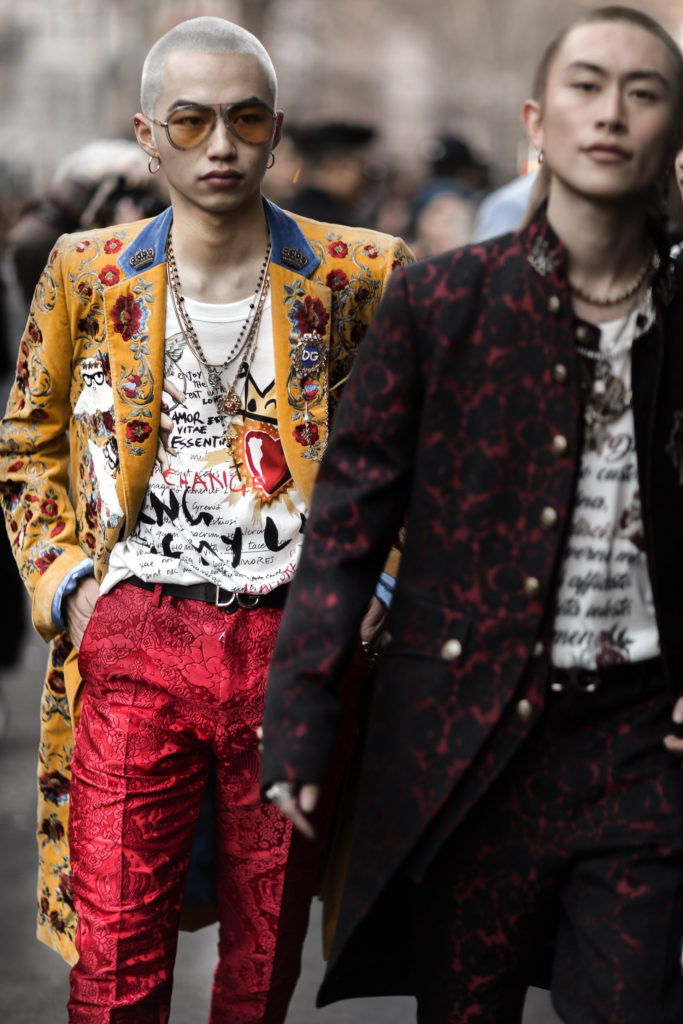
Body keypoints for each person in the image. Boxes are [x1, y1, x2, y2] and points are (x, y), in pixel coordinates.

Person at [261, 7, 683, 1022]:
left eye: (643, 91)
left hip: (635, 751)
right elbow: (348, 524)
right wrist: (303, 720)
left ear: (672, 134)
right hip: (461, 747)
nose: (611, 113)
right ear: (535, 122)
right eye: (586, 86)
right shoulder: (438, 303)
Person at [0, 15, 411, 1023]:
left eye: (243, 119)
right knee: (111, 951)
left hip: (297, 641)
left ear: (275, 132)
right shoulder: (85, 273)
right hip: (135, 629)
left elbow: (423, 454)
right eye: (190, 122)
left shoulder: (361, 273)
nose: (219, 146)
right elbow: (25, 445)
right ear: (147, 135)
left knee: (263, 957)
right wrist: (69, 589)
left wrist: (380, 587)